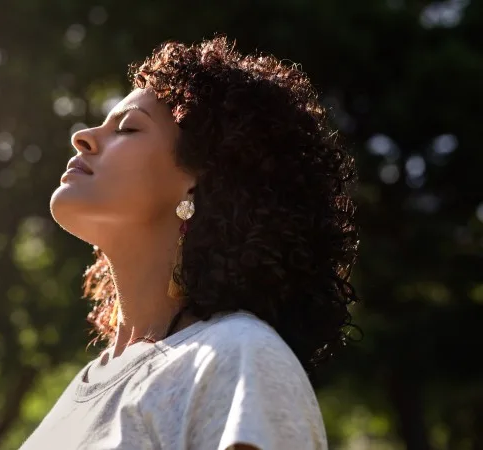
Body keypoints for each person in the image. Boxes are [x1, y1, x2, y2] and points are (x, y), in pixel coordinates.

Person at [20, 34, 359, 450]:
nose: (83, 136)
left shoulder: (237, 355)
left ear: (199, 182)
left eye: (127, 128)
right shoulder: (84, 387)